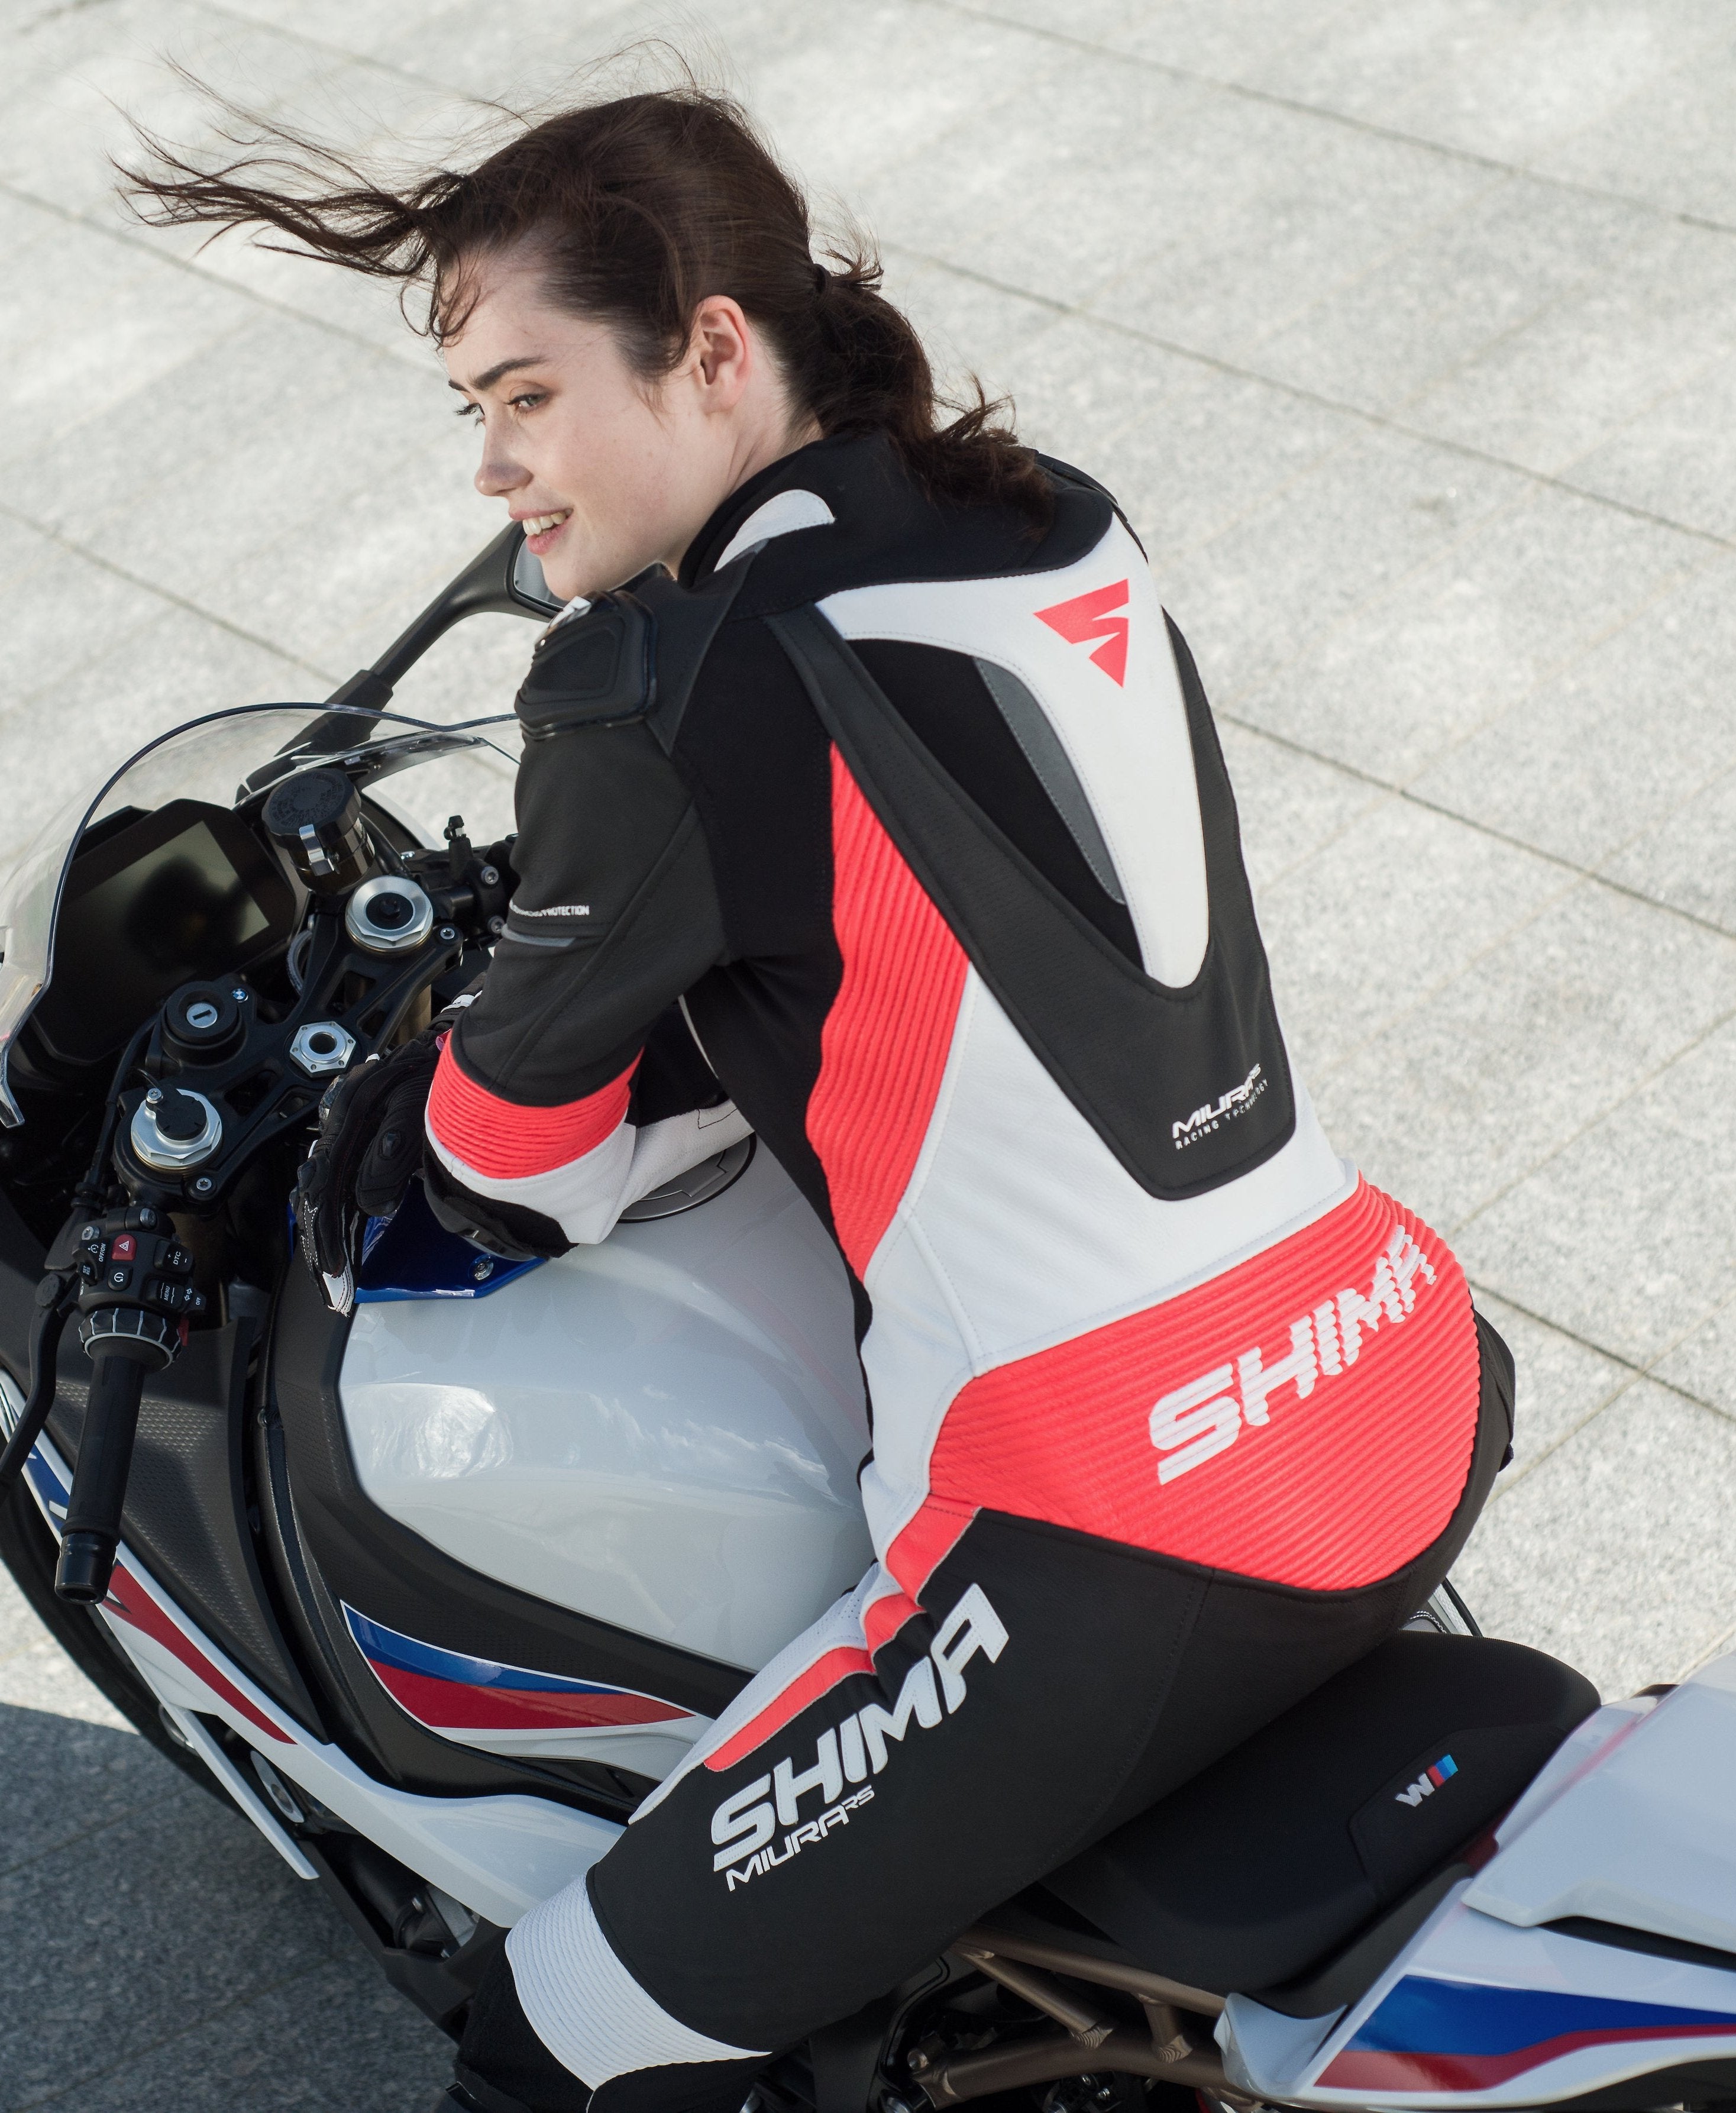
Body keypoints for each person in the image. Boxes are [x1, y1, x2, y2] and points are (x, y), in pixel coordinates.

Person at [125, 77, 1511, 2113]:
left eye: (526, 394)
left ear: (707, 347)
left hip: (1108, 1532)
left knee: (560, 2043)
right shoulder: (1047, 513)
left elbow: (506, 1169)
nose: (498, 469)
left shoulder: (658, 684)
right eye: (471, 414)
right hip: (1391, 1357)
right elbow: (939, 931)